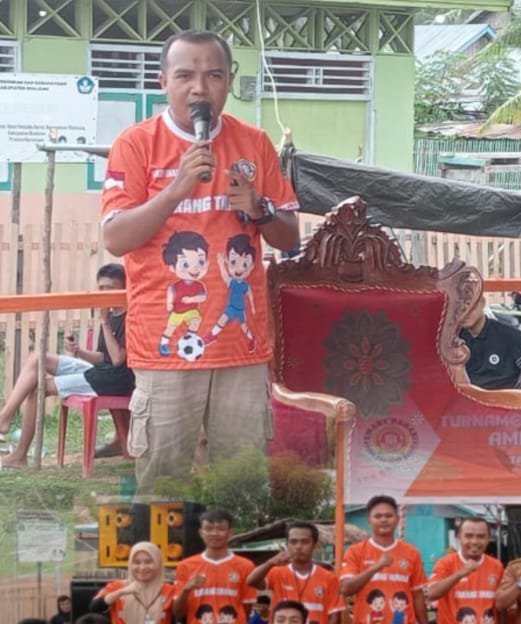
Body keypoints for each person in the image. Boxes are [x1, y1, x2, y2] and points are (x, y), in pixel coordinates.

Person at [101, 29, 300, 492]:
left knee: (243, 485)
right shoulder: (136, 145)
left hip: (241, 350)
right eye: (186, 75)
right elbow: (115, 238)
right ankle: (165, 565)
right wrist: (176, 188)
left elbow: (288, 235)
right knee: (162, 486)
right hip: (166, 349)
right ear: (163, 81)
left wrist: (259, 209)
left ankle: (234, 564)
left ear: (229, 80)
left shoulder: (255, 143)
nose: (199, 88)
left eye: (213, 75)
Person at [0, 264, 132, 467]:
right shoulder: (112, 314)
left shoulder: (129, 316)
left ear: (124, 287)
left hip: (116, 380)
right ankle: (5, 417)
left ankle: (20, 455)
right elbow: (102, 357)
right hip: (102, 372)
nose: (104, 293)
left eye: (110, 288)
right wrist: (78, 350)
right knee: (37, 358)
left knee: (39, 390)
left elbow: (117, 360)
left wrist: (104, 323)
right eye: (101, 288)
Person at [340, 495, 430, 624]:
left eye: (388, 515)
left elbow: (418, 595)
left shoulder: (411, 553)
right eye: (378, 516)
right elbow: (346, 588)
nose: (383, 520)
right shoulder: (356, 552)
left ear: (397, 519)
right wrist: (375, 567)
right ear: (369, 520)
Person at [247, 520, 343, 624]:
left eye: (304, 542)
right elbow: (252, 581)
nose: (298, 547)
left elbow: (335, 619)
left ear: (315, 545)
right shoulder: (277, 572)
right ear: (287, 545)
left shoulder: (329, 578)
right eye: (293, 542)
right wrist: (270, 563)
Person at [174, 508, 255, 624]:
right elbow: (178, 613)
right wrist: (185, 590)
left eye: (220, 529)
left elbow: (246, 610)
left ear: (230, 533)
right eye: (209, 529)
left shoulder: (245, 566)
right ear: (201, 532)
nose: (214, 533)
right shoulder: (186, 566)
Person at [426, 518, 504, 624]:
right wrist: (461, 572)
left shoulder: (496, 566)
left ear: (489, 539)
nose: (474, 541)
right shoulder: (445, 563)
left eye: (481, 536)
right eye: (468, 536)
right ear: (459, 537)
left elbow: (501, 607)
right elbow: (432, 593)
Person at [91, 541, 176, 624]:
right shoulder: (117, 587)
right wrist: (122, 592)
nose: (142, 567)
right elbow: (95, 607)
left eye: (148, 562)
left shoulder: (170, 590)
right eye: (136, 562)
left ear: (158, 563)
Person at [459, 289, 521, 390]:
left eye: (468, 304)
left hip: (504, 400)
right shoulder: (452, 339)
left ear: (482, 302)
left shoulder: (511, 336)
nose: (464, 311)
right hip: (466, 399)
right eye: (457, 307)